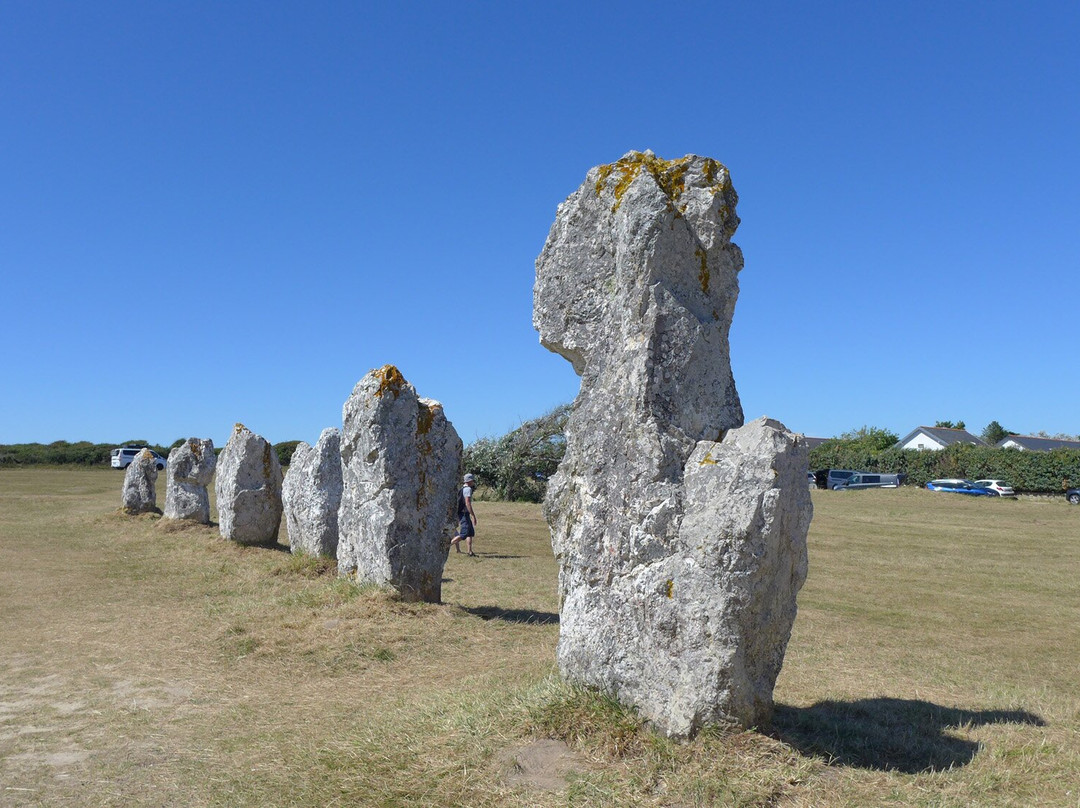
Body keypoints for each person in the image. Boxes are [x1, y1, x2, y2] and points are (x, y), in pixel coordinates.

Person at [450, 473, 478, 556]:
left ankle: (470, 552)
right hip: (464, 513)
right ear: (469, 481)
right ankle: (446, 546)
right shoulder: (468, 489)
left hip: (463, 513)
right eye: (472, 480)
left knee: (470, 532)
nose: (473, 482)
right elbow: (467, 503)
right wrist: (473, 515)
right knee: (464, 534)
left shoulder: (463, 488)